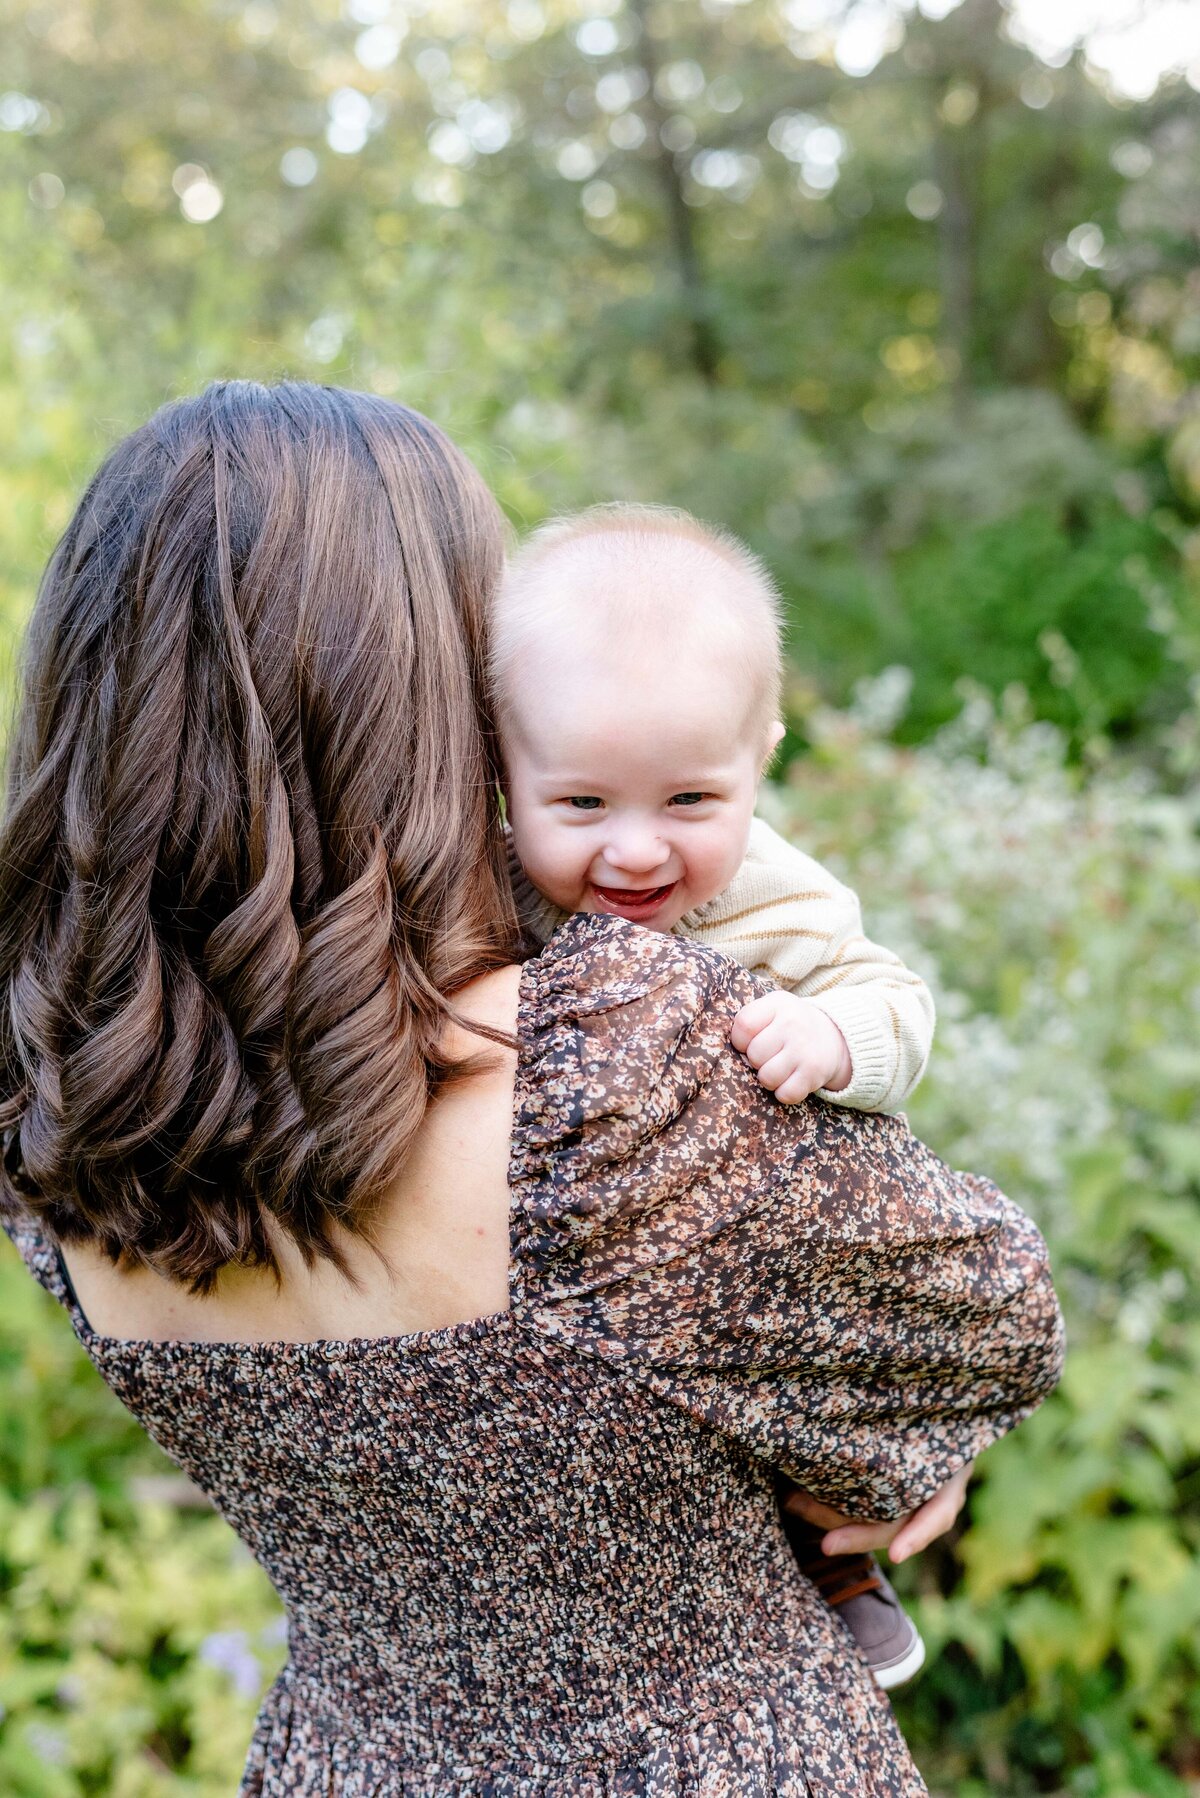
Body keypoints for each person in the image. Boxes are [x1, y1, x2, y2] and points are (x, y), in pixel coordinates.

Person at [0, 381, 1065, 1798]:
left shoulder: (59, 1108)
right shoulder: (602, 1065)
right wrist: (884, 1450)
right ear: (441, 681)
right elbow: (992, 1319)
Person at [492, 502, 936, 1685]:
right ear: (505, 766)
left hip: (763, 1227)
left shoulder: (782, 901)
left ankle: (833, 1551)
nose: (636, 853)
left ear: (762, 759)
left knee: (815, 1352)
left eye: (691, 802)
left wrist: (833, 1036)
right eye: (582, 804)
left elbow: (898, 1003)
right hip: (585, 1253)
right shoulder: (492, 891)